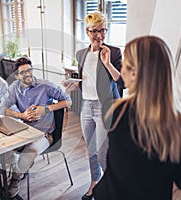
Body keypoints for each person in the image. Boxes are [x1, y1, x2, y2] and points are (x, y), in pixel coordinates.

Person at [93, 36, 181, 200]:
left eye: (124, 66)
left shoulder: (119, 112)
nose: (121, 70)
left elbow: (118, 171)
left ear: (134, 73)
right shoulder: (179, 126)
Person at [63, 12, 122, 200]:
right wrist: (75, 84)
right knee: (90, 150)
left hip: (105, 107)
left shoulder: (113, 52)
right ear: (87, 32)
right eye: (95, 30)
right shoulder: (81, 54)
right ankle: (95, 182)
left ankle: (112, 188)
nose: (100, 35)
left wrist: (107, 63)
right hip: (87, 107)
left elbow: (121, 81)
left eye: (103, 30)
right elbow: (86, 80)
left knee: (103, 151)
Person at [2, 57, 72, 198]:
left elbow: (68, 101)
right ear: (16, 76)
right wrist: (21, 115)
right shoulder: (14, 87)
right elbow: (2, 108)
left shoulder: (45, 86)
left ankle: (15, 180)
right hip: (24, 130)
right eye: (23, 72)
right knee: (3, 149)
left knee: (29, 153)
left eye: (30, 70)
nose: (28, 74)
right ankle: (21, 169)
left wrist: (45, 109)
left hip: (45, 134)